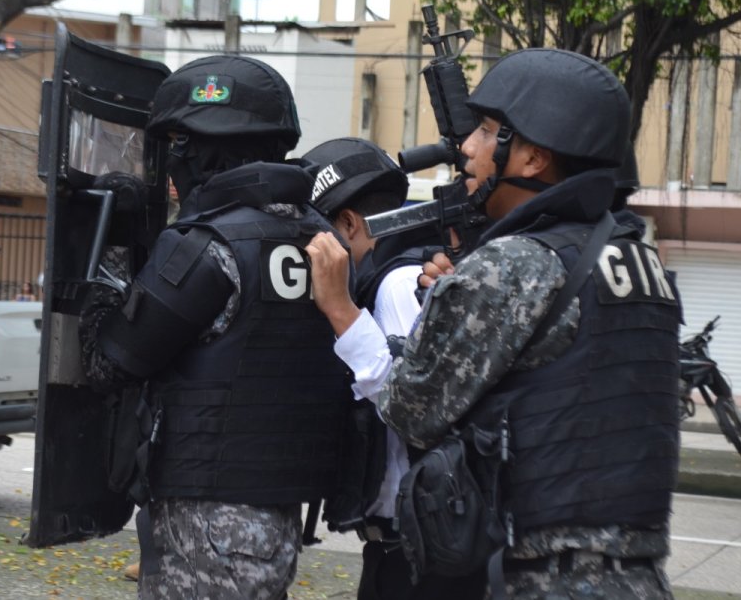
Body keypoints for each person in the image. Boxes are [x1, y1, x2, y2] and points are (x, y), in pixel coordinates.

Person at [313, 48, 682, 598]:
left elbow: (412, 411)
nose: (467, 146)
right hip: (638, 572)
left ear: (533, 158)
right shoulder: (639, 260)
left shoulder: (511, 266)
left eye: (487, 131)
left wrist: (343, 310)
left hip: (544, 574)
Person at [78, 55, 353, 600]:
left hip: (208, 521)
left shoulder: (207, 246)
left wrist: (109, 246)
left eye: (178, 144)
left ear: (200, 149)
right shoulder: (320, 236)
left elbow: (107, 362)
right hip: (274, 515)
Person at [302, 138, 484, 599]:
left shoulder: (400, 283)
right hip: (402, 548)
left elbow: (412, 407)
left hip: (422, 551)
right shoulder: (391, 276)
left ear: (347, 223)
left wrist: (341, 310)